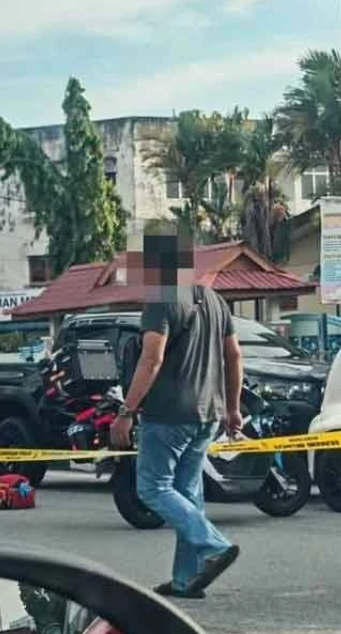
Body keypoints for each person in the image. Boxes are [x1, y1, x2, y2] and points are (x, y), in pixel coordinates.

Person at [110, 226, 241, 599]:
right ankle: (186, 579)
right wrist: (232, 408)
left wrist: (127, 410)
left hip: (169, 413)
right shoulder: (215, 301)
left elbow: (152, 358)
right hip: (208, 414)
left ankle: (213, 544)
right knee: (186, 492)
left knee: (152, 487)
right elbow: (234, 356)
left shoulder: (161, 299)